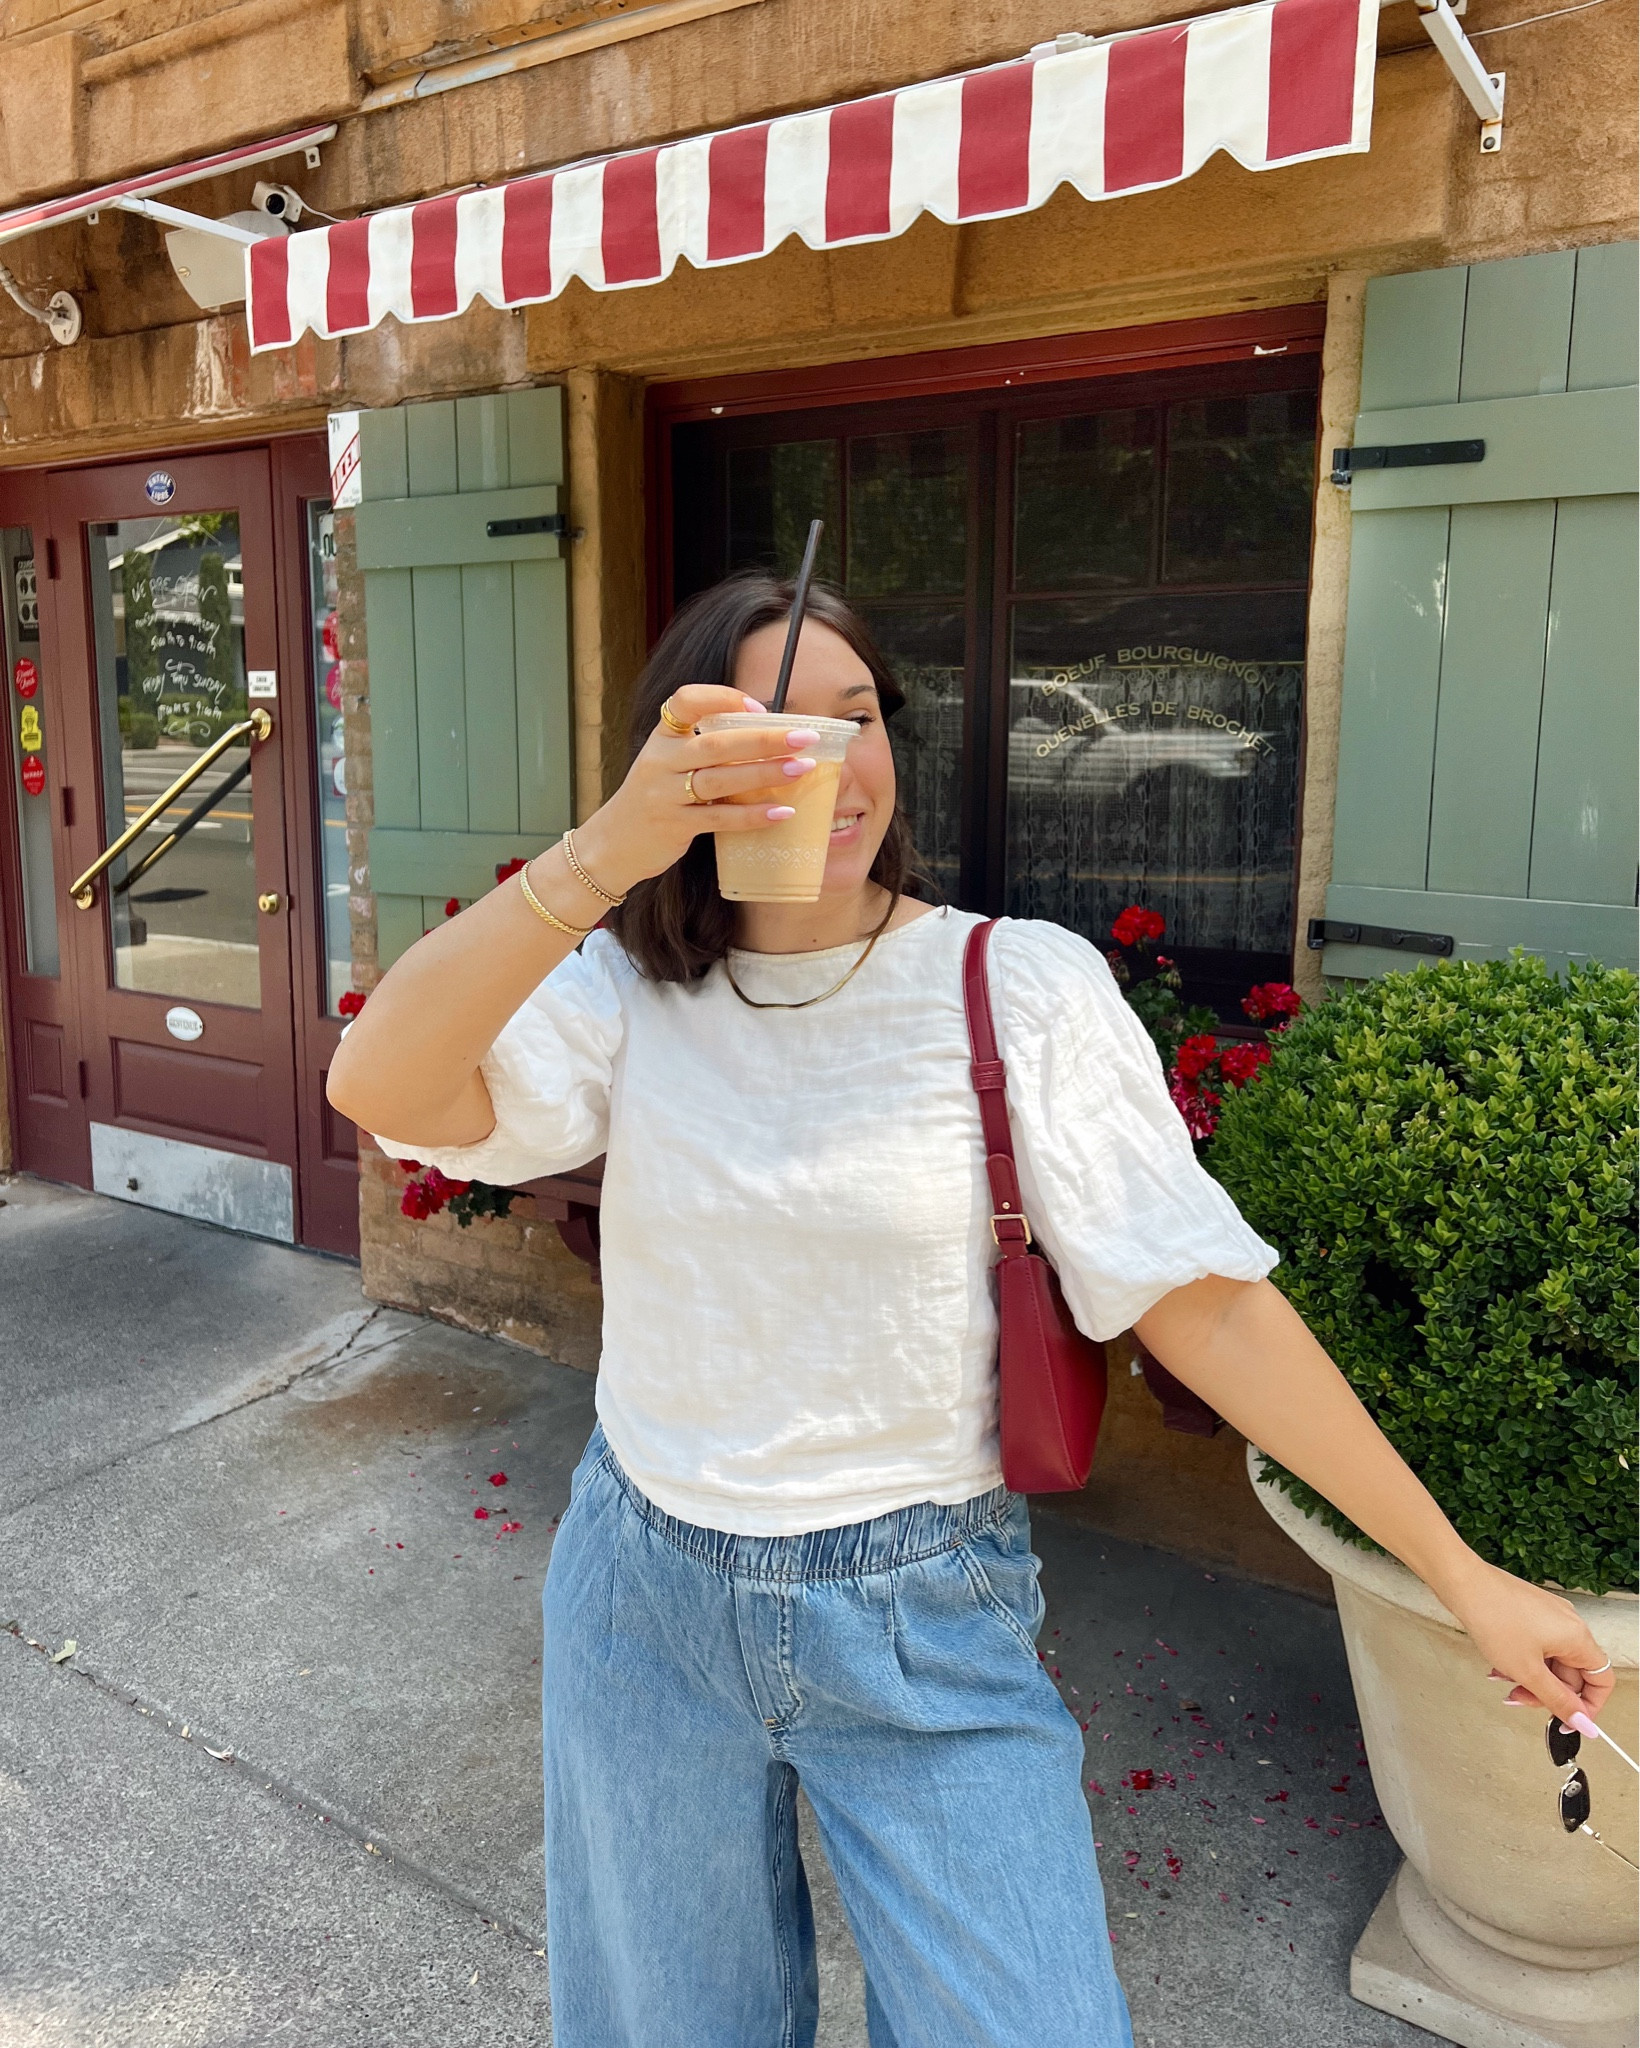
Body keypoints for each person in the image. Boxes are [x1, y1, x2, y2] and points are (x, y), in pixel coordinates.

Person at [328, 574, 1614, 2048]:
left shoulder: (1020, 989)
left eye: (855, 716)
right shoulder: (625, 992)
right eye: (767, 727)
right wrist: (605, 855)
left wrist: (1462, 1576)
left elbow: (1203, 1305)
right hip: (645, 1590)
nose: (830, 760)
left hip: (920, 1609)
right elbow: (382, 1088)